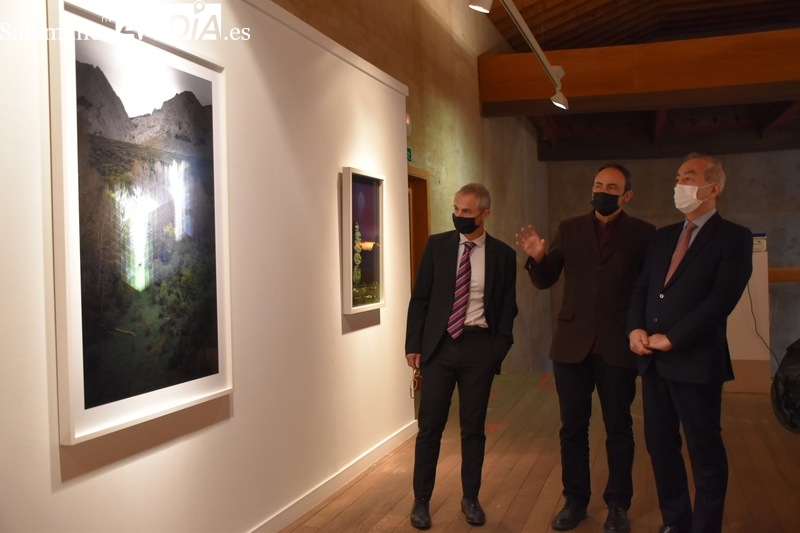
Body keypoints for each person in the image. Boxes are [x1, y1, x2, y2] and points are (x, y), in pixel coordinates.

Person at [515, 163, 655, 533]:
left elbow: (646, 289)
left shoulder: (644, 233)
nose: (603, 191)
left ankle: (618, 504)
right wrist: (538, 257)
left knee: (619, 428)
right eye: (598, 185)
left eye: (612, 187)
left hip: (618, 346)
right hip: (572, 345)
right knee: (572, 428)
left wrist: (642, 331)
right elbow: (546, 280)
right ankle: (575, 501)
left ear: (627, 195)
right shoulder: (570, 228)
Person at [627, 153, 752, 533]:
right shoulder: (663, 237)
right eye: (678, 176)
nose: (679, 184)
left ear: (712, 188)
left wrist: (675, 338)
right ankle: (675, 522)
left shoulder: (734, 237)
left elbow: (722, 300)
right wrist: (635, 328)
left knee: (705, 452)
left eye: (689, 177)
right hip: (653, 362)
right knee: (661, 448)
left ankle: (705, 527)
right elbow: (644, 288)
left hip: (697, 361)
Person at [405, 183, 518, 530]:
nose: (459, 216)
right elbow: (421, 297)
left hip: (478, 347)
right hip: (440, 347)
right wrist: (414, 344)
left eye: (467, 212)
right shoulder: (438, 246)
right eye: (456, 209)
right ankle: (421, 500)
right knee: (429, 428)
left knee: (473, 430)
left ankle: (471, 497)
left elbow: (506, 306)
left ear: (485, 214)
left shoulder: (502, 254)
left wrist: (496, 350)